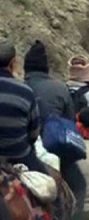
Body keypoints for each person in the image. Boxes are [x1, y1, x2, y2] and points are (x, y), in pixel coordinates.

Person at [0, 39, 45, 173]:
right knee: (50, 186)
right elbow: (34, 132)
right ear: (13, 62)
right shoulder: (25, 91)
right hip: (17, 155)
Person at [24, 40, 74, 121]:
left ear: (25, 68)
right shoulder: (61, 88)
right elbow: (70, 121)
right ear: (47, 68)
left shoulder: (19, 89)